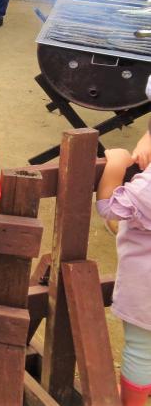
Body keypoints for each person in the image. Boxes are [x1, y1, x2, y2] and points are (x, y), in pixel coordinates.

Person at [96, 148, 151, 405]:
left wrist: (116, 166)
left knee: (140, 350)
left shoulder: (146, 188)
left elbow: (109, 208)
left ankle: (133, 401)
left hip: (144, 293)